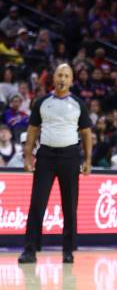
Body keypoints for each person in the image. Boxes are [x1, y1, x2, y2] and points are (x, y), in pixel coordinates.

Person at [17, 64, 93, 264]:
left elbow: (86, 133)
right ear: (53, 77)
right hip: (46, 157)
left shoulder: (78, 104)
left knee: (70, 206)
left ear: (71, 80)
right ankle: (30, 250)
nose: (62, 78)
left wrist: (88, 160)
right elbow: (32, 131)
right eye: (59, 74)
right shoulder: (42, 102)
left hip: (70, 157)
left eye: (66, 75)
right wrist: (27, 157)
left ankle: (68, 251)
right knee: (37, 204)